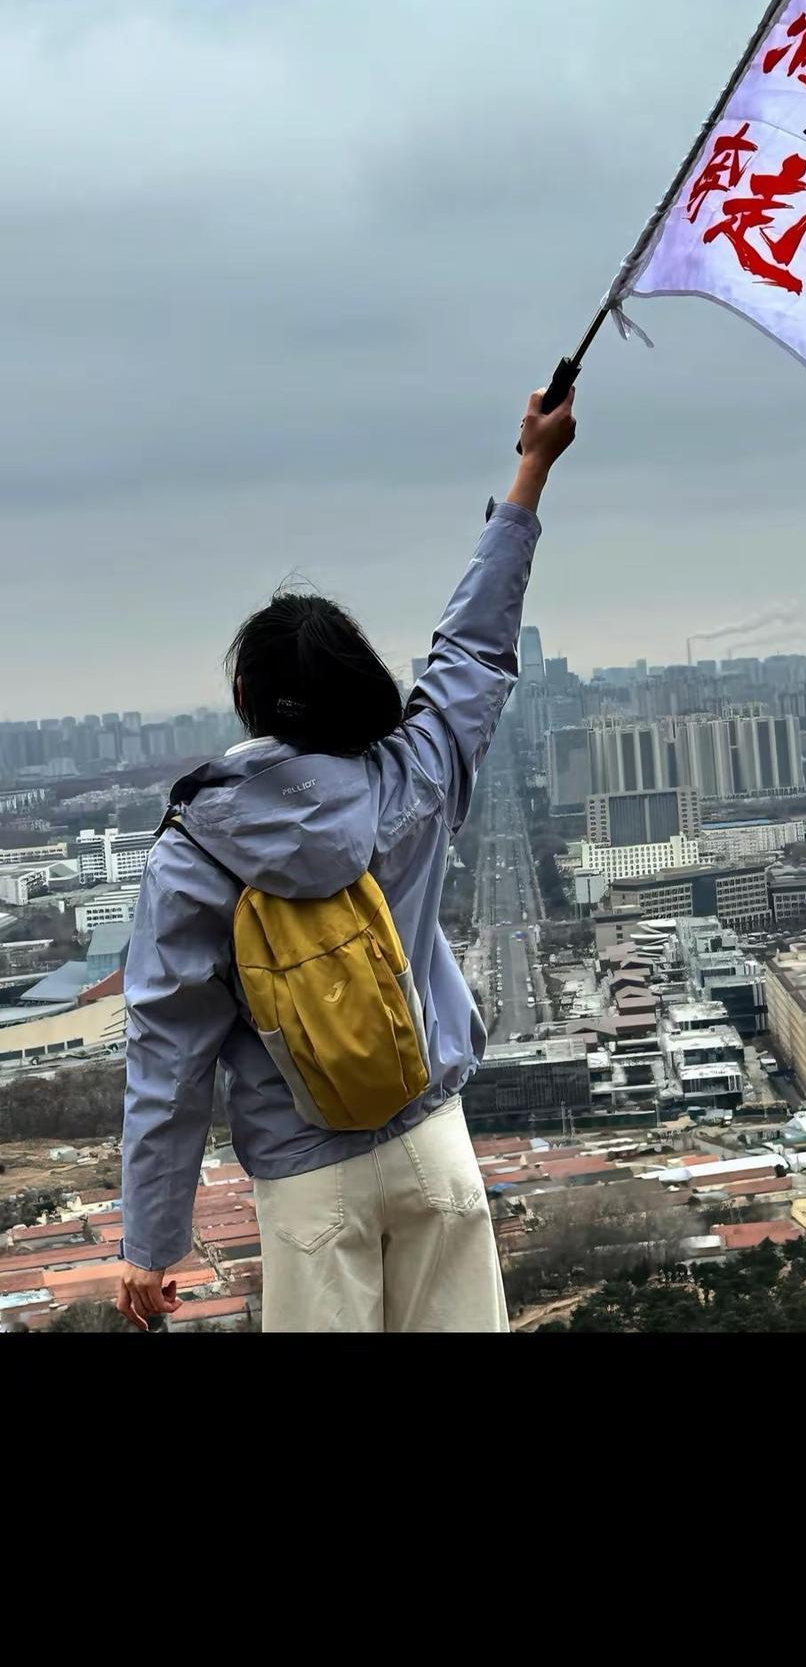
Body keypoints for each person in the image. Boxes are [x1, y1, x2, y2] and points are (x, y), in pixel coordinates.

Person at [115, 386, 576, 1334]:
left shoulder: (194, 849)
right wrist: (532, 467)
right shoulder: (412, 777)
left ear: (244, 695)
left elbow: (169, 1055)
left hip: (306, 1178)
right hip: (432, 1147)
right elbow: (474, 652)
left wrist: (150, 1242)